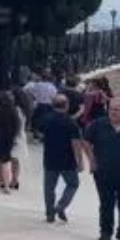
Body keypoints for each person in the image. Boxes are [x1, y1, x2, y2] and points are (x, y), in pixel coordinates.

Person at [36, 94, 82, 223]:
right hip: (67, 159)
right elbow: (75, 143)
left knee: (49, 187)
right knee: (73, 184)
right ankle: (60, 206)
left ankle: (50, 214)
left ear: (53, 104)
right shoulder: (71, 122)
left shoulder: (45, 119)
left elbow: (39, 133)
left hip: (50, 157)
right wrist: (80, 161)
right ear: (66, 105)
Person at [84, 98, 120, 240]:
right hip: (103, 172)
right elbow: (86, 141)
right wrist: (92, 160)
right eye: (111, 109)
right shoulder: (98, 124)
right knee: (106, 203)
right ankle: (105, 231)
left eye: (117, 109)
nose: (113, 112)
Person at [25, 68, 58, 139]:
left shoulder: (37, 85)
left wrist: (36, 97)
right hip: (49, 105)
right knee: (47, 120)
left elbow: (31, 92)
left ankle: (36, 133)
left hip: (39, 104)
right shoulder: (52, 87)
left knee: (36, 120)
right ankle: (44, 134)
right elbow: (54, 97)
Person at [9, 88, 30, 190]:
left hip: (16, 137)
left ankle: (14, 180)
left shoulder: (16, 110)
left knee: (14, 160)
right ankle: (15, 179)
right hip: (21, 136)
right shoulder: (24, 109)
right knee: (16, 161)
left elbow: (17, 125)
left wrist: (13, 138)